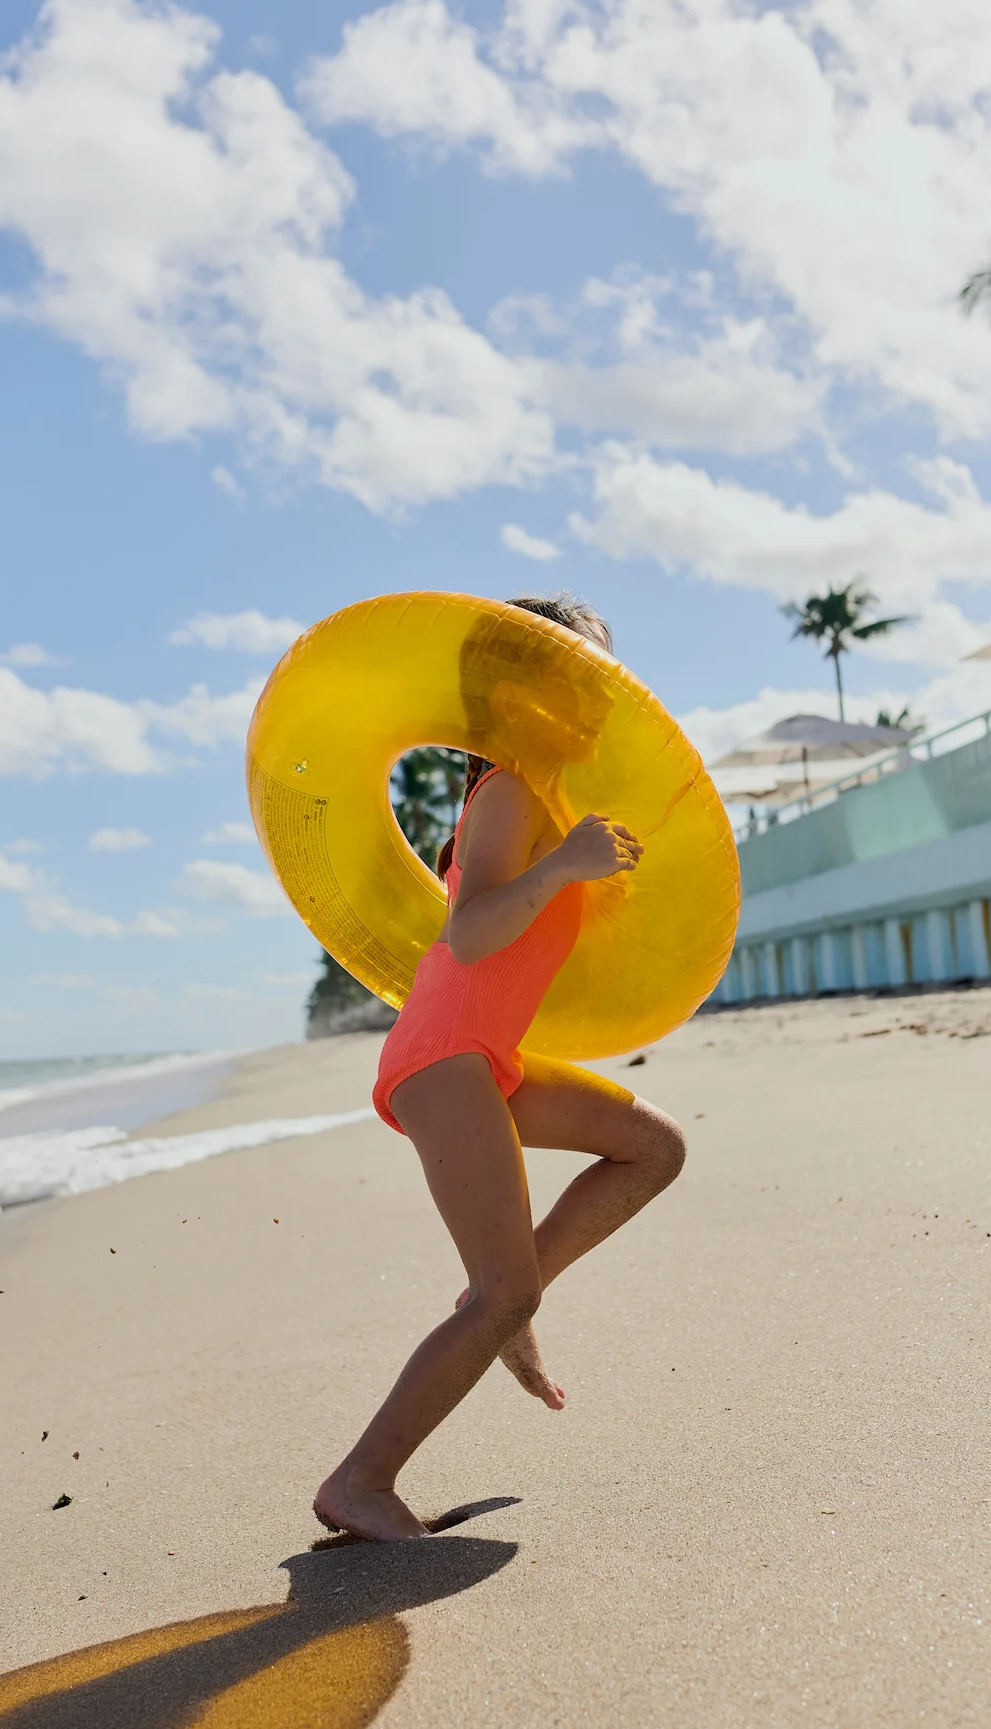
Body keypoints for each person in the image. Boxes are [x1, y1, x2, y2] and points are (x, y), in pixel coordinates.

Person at [314, 595, 687, 1543]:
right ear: (514, 692)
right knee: (501, 1288)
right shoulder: (512, 793)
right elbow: (473, 934)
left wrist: (577, 867)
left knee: (652, 1148)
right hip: (444, 1057)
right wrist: (563, 866)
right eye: (573, 676)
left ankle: (509, 1300)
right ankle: (361, 1481)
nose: (596, 697)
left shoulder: (548, 806)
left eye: (601, 677)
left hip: (489, 1057)